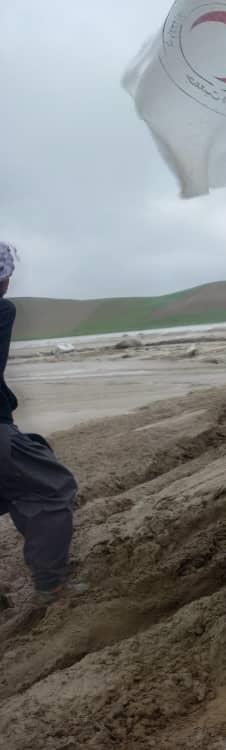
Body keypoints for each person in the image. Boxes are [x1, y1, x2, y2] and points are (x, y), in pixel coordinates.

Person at [0, 241, 82, 604]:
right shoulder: (3, 311)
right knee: (51, 489)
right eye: (7, 274)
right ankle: (51, 585)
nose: (9, 281)